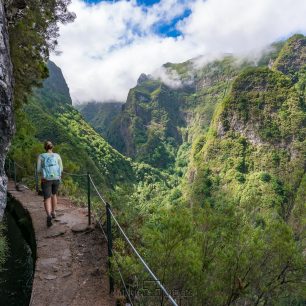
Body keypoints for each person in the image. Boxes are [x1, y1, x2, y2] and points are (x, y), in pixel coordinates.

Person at [37, 141, 63, 227]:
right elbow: (61, 168)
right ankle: (53, 212)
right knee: (54, 195)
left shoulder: (41, 156)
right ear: (52, 147)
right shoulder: (57, 156)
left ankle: (48, 215)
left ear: (45, 147)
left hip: (46, 179)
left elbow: (38, 170)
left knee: (47, 198)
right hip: (56, 178)